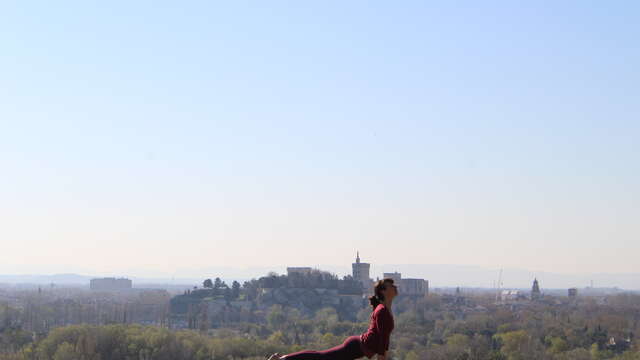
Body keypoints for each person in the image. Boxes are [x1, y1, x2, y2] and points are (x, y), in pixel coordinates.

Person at [268, 278, 397, 360]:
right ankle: (283, 359)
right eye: (391, 285)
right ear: (384, 291)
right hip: (355, 347)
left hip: (358, 347)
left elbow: (384, 339)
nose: (394, 286)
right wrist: (382, 357)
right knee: (321, 357)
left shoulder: (384, 309)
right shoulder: (382, 311)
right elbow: (382, 339)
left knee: (321, 356)